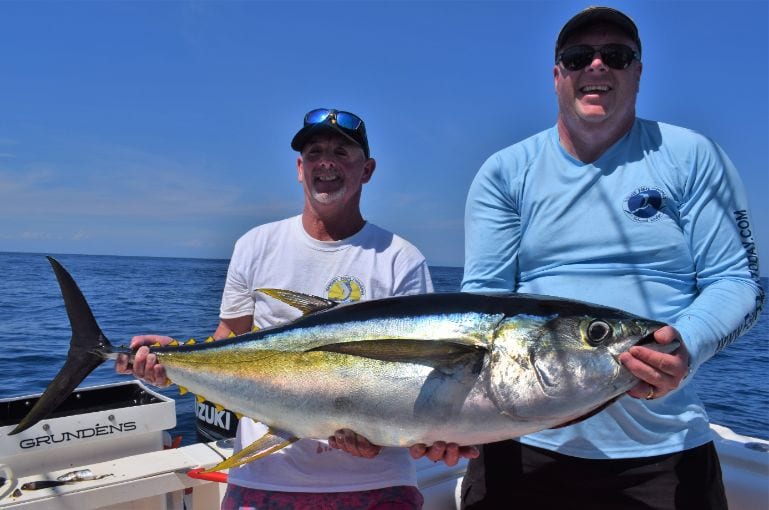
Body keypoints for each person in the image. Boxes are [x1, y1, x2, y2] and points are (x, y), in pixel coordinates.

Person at [460, 6, 764, 510]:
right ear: (558, 75)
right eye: (579, 57)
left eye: (617, 56)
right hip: (521, 444)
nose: (597, 66)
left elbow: (738, 283)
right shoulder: (505, 172)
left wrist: (684, 345)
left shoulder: (691, 155)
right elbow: (479, 308)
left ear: (638, 72)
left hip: (663, 455)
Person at [118, 107, 437, 509]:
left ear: (367, 170)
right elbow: (228, 344)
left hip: (379, 483)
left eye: (342, 153)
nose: (327, 162)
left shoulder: (400, 259)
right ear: (300, 168)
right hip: (264, 479)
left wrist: (381, 437)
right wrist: (172, 365)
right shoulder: (255, 245)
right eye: (315, 152)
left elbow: (418, 379)